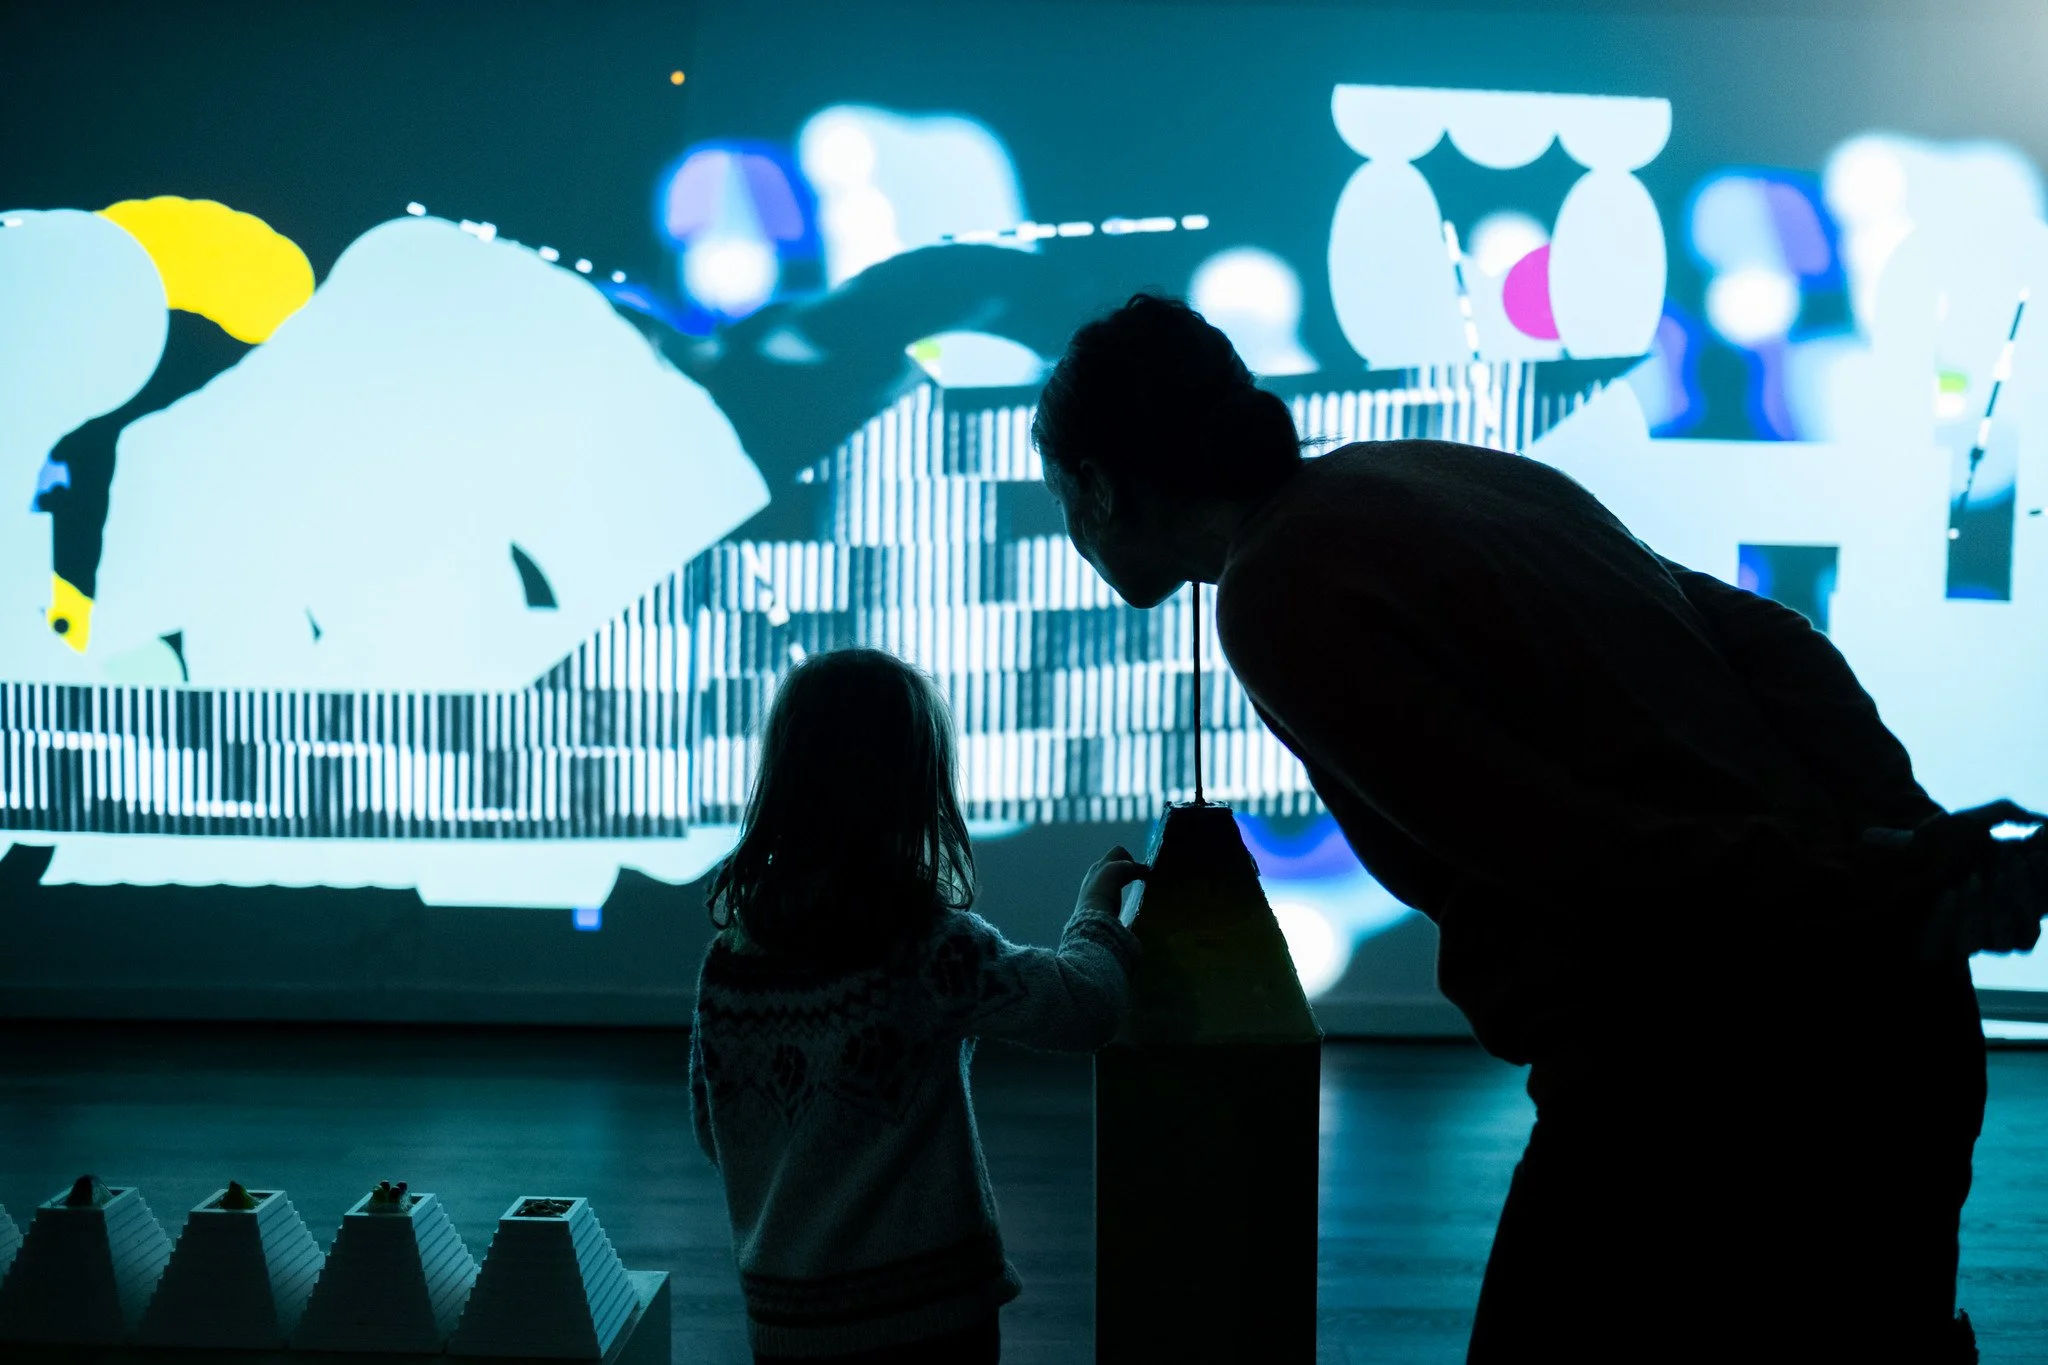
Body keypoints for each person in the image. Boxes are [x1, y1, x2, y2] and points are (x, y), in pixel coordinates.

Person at [1032, 293, 2047, 1362]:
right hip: (1880, 1018)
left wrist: (1883, 881)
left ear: (1099, 485)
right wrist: (1909, 854)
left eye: (1061, 495)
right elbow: (1771, 643)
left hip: (1704, 1062)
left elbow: (1568, 851)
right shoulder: (1438, 473)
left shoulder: (1275, 589)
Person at [688, 647, 1145, 1365]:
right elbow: (1083, 1007)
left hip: (787, 1319)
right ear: (912, 792)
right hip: (930, 1316)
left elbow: (716, 1131)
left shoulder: (732, 960)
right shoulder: (928, 948)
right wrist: (1096, 912)